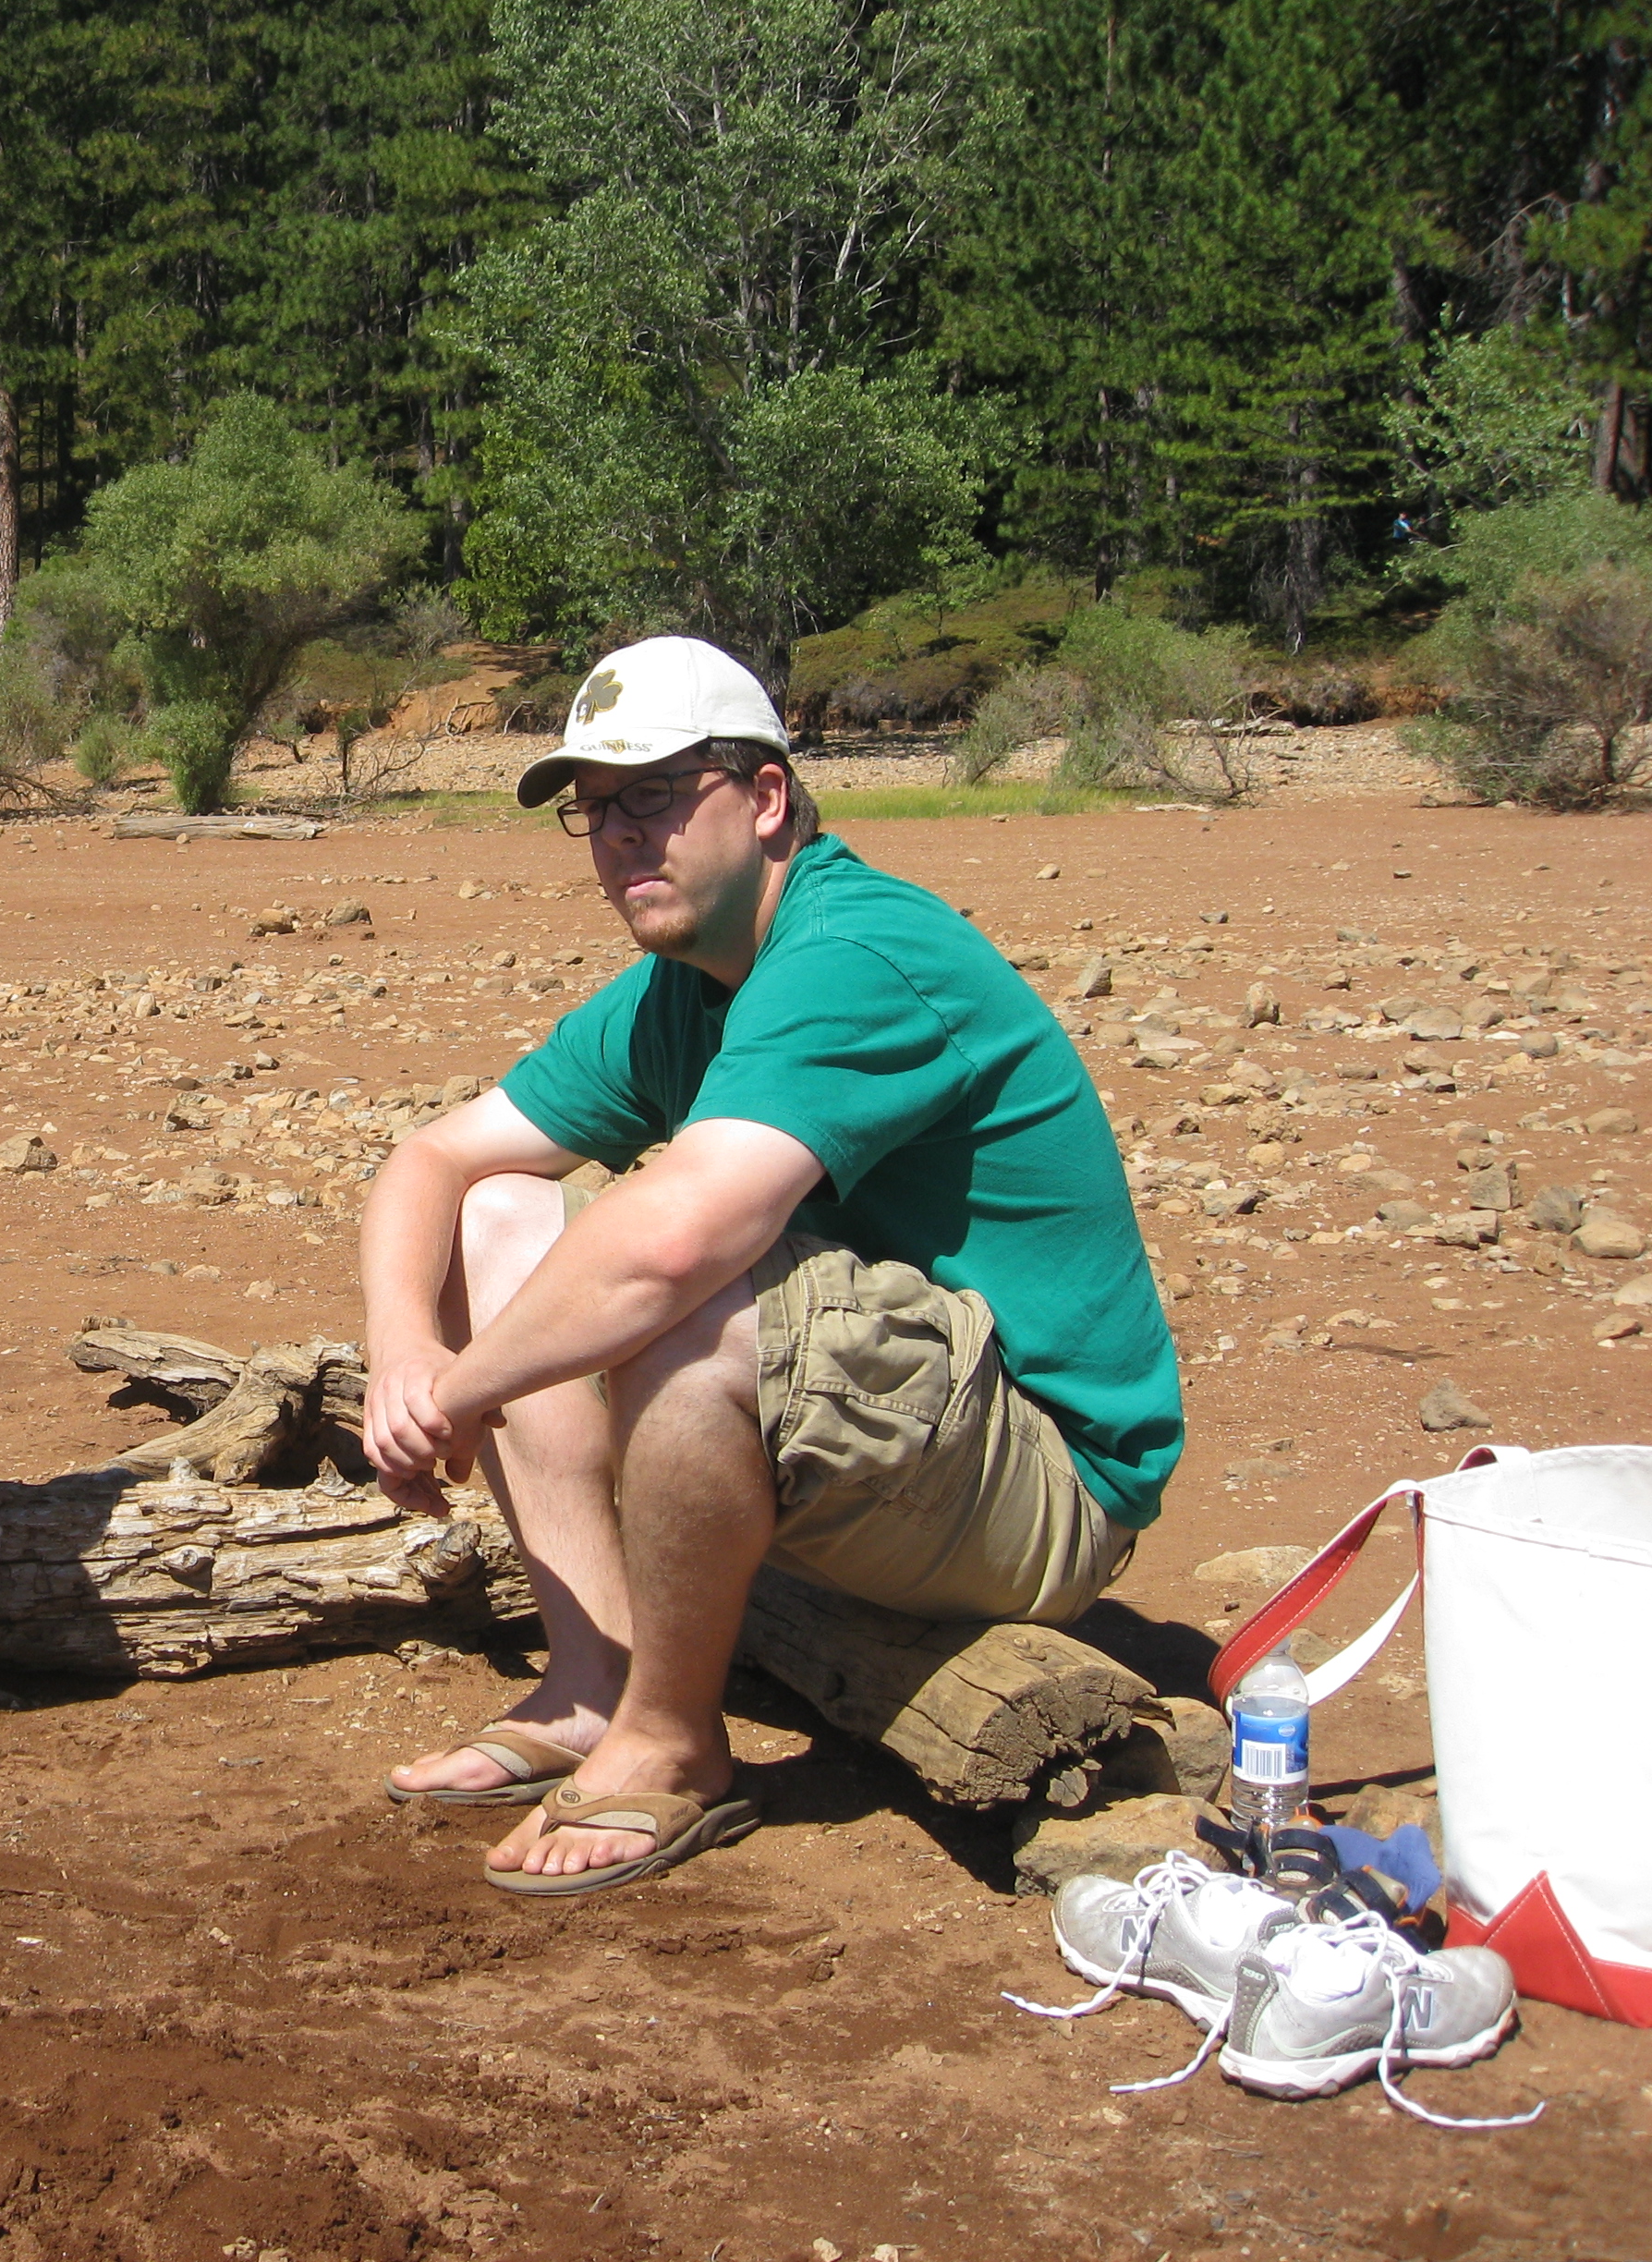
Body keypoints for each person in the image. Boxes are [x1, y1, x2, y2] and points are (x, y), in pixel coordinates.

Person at [360, 636, 1181, 1895]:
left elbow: (675, 1243)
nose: (620, 838)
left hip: (1044, 1489)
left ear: (766, 797)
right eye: (595, 811)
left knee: (693, 1288)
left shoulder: (853, 951)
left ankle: (671, 1743)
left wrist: (458, 1398)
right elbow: (433, 1158)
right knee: (501, 1213)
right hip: (883, 1450)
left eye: (653, 795)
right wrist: (404, 1356)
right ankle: (594, 1680)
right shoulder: (680, 986)